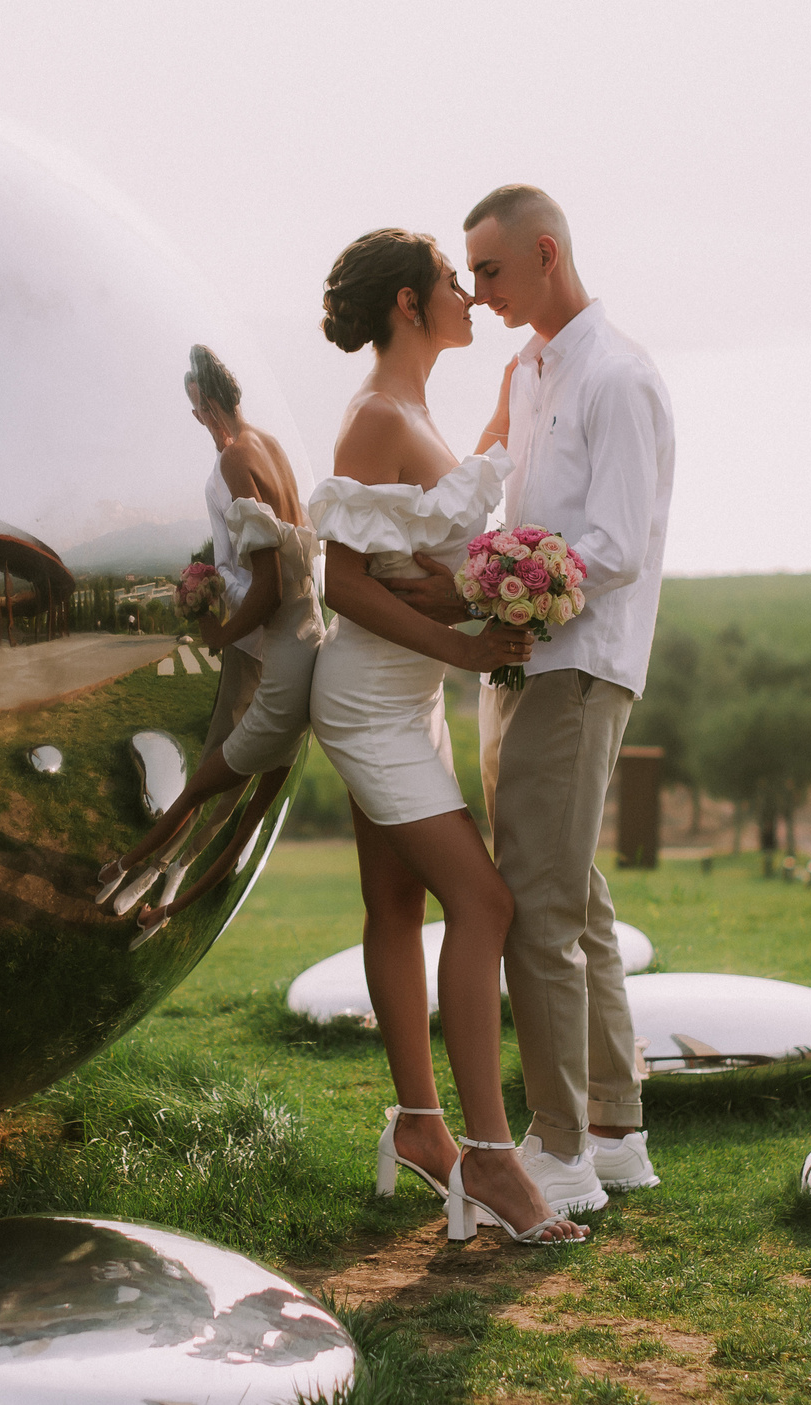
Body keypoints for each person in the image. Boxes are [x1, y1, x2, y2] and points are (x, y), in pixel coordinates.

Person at [385, 185, 675, 1218]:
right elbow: (495, 489)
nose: (476, 289)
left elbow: (618, 545)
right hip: (515, 663)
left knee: (539, 910)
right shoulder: (525, 368)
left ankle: (561, 1154)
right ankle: (616, 1128)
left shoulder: (619, 376)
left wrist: (478, 583)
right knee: (573, 892)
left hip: (580, 663)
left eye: (491, 270)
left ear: (546, 253)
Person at [300, 226, 582, 1247]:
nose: (470, 294)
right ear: (410, 305)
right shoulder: (375, 416)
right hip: (372, 701)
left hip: (406, 693)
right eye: (454, 284)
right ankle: (495, 1158)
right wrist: (463, 650)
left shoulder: (414, 409)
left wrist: (522, 387)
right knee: (485, 898)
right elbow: (340, 579)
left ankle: (422, 1130)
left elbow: (442, 515)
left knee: (395, 901)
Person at [97, 346, 322, 931]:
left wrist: (221, 630)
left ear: (207, 403)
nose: (194, 418)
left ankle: (151, 869)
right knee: (238, 777)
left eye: (194, 406)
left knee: (215, 763)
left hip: (260, 636)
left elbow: (266, 579)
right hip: (304, 630)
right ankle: (174, 869)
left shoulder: (232, 460)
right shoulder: (271, 446)